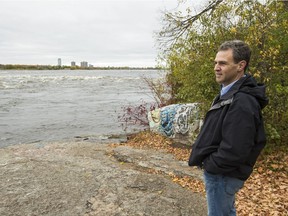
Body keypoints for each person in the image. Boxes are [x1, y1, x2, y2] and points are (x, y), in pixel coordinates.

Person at [188, 40, 268, 216]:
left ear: (241, 66)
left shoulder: (242, 101)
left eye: (223, 63)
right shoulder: (228, 93)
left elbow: (235, 149)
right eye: (216, 62)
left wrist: (210, 165)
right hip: (222, 173)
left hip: (223, 175)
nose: (217, 67)